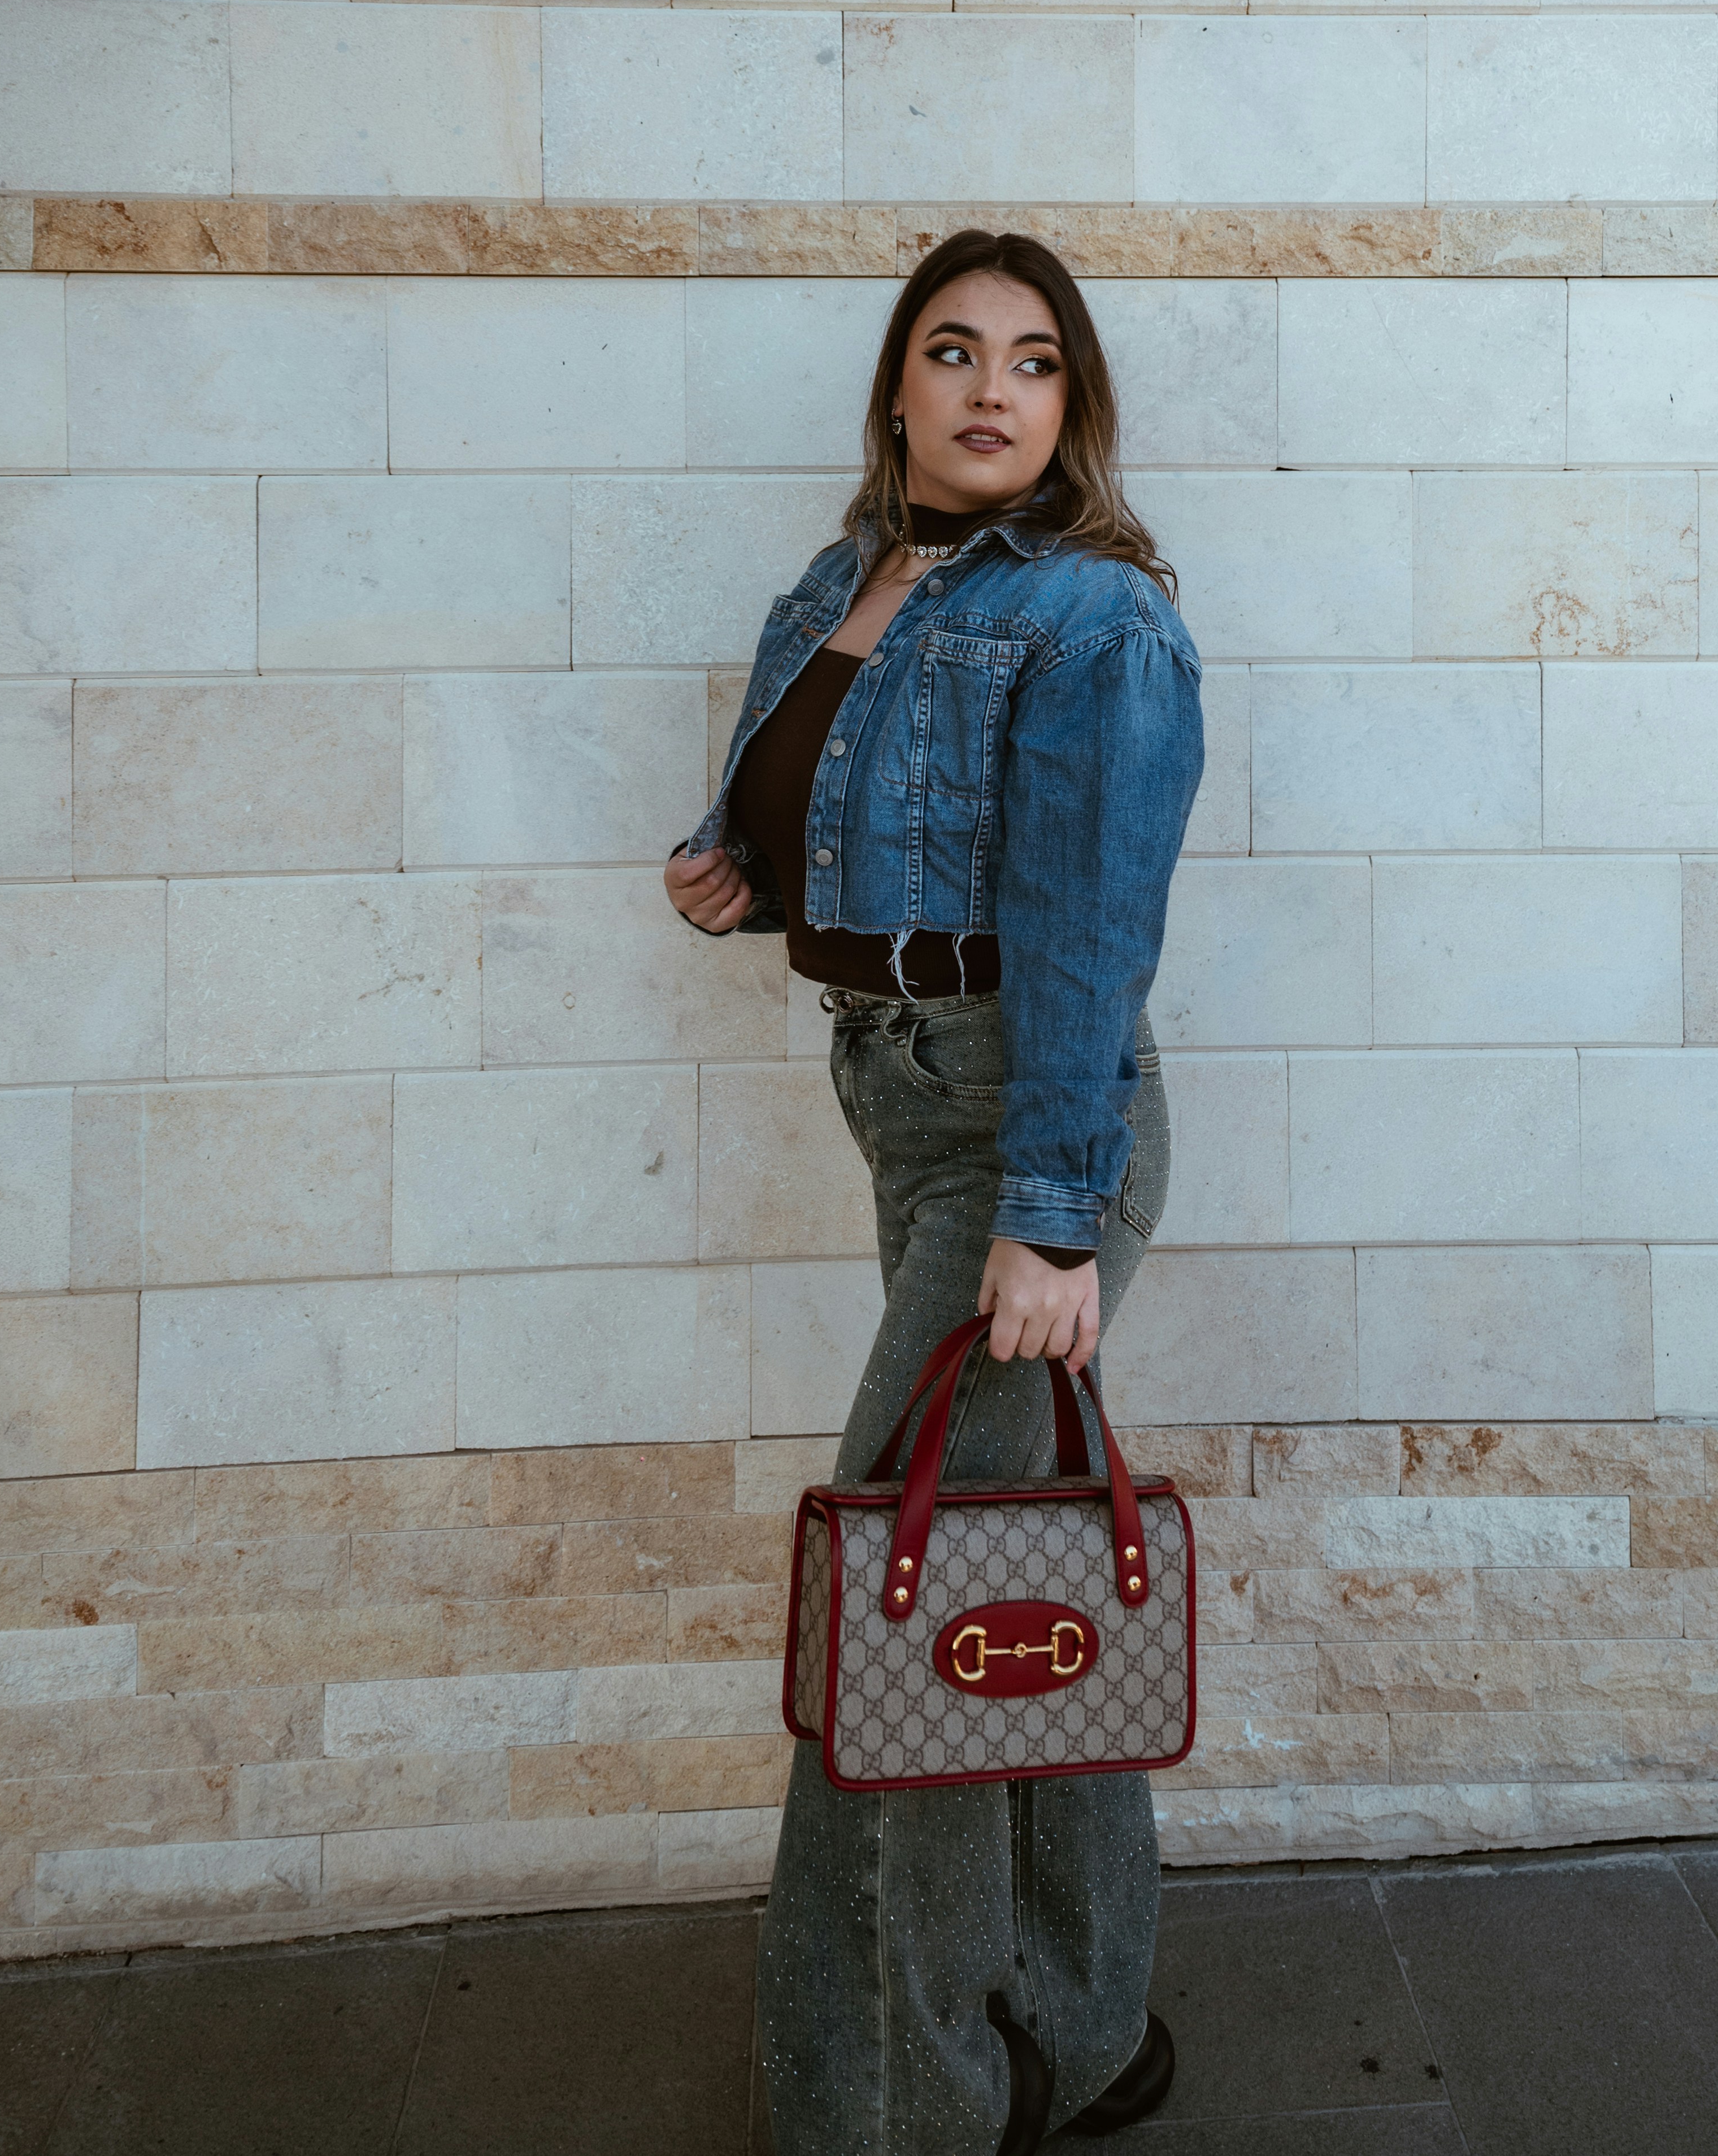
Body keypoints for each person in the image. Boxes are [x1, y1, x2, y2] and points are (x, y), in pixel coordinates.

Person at [664, 228, 1205, 2153]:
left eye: (1036, 361)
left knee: (889, 1614)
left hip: (1026, 1126)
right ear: (898, 387)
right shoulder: (842, 586)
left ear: (1073, 407)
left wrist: (1051, 1219)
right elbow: (813, 826)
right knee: (987, 1569)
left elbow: (1083, 928)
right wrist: (735, 874)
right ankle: (1088, 2017)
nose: (992, 388)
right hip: (900, 1103)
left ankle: (904, 2105)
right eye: (955, 351)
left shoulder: (1090, 620)